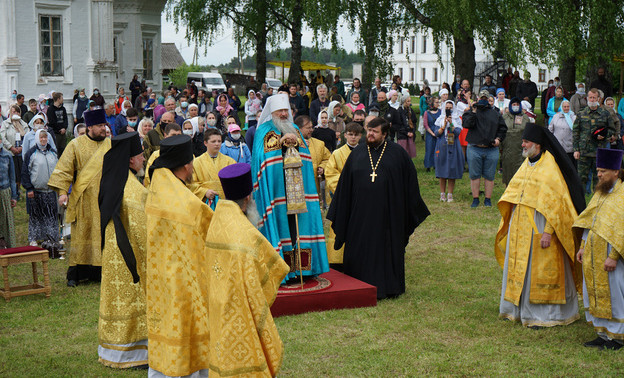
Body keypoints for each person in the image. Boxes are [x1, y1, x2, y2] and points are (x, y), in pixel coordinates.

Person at [199, 163, 289, 375]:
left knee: (222, 343)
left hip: (217, 298)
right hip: (241, 303)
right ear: (248, 199)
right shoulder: (247, 233)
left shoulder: (217, 221)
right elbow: (274, 267)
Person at [327, 117, 430, 299]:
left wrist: (405, 210)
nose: (370, 134)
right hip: (359, 215)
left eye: (375, 131)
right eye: (369, 130)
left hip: (388, 215)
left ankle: (388, 287)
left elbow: (410, 185)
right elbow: (344, 186)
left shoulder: (397, 154)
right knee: (360, 248)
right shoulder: (357, 153)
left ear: (384, 133)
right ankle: (357, 285)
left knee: (387, 249)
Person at [496, 123, 585, 328]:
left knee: (539, 271)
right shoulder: (527, 163)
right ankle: (518, 310)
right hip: (521, 228)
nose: (523, 144)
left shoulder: (550, 166)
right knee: (523, 269)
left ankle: (546, 315)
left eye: (526, 141)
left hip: (541, 228)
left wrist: (548, 232)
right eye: (523, 141)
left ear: (537, 144)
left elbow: (557, 204)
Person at [144, 135, 213, 377]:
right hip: (184, 277)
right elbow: (211, 230)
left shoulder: (158, 188)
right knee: (187, 326)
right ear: (186, 165)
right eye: (192, 162)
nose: (193, 166)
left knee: (165, 326)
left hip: (158, 276)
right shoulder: (185, 203)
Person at [252, 93, 330, 280]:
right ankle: (283, 271)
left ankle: (302, 270)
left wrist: (294, 142)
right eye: (280, 110)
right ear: (272, 111)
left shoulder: (294, 128)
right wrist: (280, 142)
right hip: (277, 192)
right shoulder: (263, 130)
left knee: (298, 230)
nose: (283, 114)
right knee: (281, 227)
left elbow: (305, 155)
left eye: (286, 110)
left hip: (296, 191)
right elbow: (264, 160)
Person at [97, 131, 148, 368]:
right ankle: (133, 355)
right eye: (140, 155)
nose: (144, 159)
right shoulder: (132, 190)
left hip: (112, 253)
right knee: (132, 301)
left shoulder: (112, 177)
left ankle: (112, 351)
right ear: (130, 159)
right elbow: (142, 229)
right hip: (129, 255)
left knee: (116, 300)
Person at [48, 108, 112, 287]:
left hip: (104, 200)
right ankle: (75, 275)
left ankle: (99, 273)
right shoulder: (75, 145)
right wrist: (62, 193)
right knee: (81, 236)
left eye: (104, 125)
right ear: (90, 127)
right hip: (82, 200)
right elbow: (63, 170)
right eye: (100, 125)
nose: (103, 129)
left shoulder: (109, 144)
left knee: (101, 236)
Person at [574, 148, 624, 350]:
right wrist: (582, 245)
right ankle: (602, 333)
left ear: (616, 172)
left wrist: (614, 256)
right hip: (592, 252)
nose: (599, 174)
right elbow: (590, 220)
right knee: (593, 290)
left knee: (614, 293)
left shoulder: (622, 196)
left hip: (611, 255)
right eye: (598, 170)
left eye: (603, 171)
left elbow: (621, 229)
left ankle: (618, 337)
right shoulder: (601, 191)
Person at [324, 122, 363, 266]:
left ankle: (358, 256)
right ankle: (337, 260)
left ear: (360, 136)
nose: (353, 137)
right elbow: (330, 174)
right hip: (342, 197)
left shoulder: (365, 152)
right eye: (350, 134)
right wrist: (345, 190)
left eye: (356, 135)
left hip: (361, 198)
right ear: (345, 135)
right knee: (339, 226)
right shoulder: (337, 153)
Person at [463, 90, 507, 207]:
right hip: (474, 148)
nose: (483, 99)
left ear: (489, 100)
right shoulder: (471, 112)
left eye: (485, 98)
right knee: (474, 175)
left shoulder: (495, 114)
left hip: (491, 149)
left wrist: (498, 139)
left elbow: (503, 129)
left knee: (489, 175)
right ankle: (475, 198)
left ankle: (487, 199)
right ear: (477, 98)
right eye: (481, 97)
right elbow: (467, 124)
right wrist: (473, 110)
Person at [573, 88, 616, 192]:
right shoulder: (581, 113)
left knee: (599, 179)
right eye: (590, 97)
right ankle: (581, 204)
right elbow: (575, 132)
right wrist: (576, 150)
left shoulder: (605, 114)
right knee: (581, 179)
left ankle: (598, 202)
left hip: (599, 151)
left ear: (599, 99)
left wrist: (605, 136)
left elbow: (612, 129)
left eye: (594, 97)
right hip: (584, 152)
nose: (592, 100)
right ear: (587, 98)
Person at [21, 129, 59, 246]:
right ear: (37, 138)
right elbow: (25, 172)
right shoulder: (31, 153)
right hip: (37, 190)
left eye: (45, 137)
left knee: (51, 215)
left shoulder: (52, 152)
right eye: (41, 138)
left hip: (51, 190)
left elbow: (58, 169)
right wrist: (29, 188)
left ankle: (51, 237)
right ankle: (34, 237)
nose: (43, 140)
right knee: (36, 215)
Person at [188, 128, 235, 203]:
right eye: (213, 141)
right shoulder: (196, 163)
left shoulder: (230, 161)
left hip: (226, 201)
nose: (217, 144)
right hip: (205, 203)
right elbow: (191, 184)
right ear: (205, 143)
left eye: (219, 141)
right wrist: (204, 192)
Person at [296, 115, 331, 207]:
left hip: (315, 188)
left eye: (312, 127)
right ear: (298, 129)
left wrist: (322, 167)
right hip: (298, 188)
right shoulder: (291, 144)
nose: (311, 130)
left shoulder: (319, 144)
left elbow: (328, 159)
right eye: (308, 128)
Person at [433, 100, 464, 202]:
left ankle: (450, 194)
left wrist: (451, 123)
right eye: (447, 108)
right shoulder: (440, 119)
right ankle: (442, 194)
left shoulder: (457, 120)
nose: (448, 109)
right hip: (442, 146)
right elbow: (436, 133)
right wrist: (444, 124)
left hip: (453, 146)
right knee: (442, 170)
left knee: (452, 170)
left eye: (450, 108)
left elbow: (457, 132)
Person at [1, 105, 30, 194]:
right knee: (13, 172)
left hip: (21, 152)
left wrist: (22, 147)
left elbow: (27, 136)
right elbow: (3, 137)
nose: (15, 114)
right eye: (14, 112)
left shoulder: (23, 124)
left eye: (17, 112)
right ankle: (13, 190)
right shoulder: (6, 123)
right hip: (10, 152)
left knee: (21, 171)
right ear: (10, 112)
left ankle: (19, 188)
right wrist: (11, 147)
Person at [143, 122, 182, 188]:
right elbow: (148, 178)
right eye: (173, 135)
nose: (176, 138)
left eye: (178, 135)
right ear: (165, 135)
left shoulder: (187, 154)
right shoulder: (156, 155)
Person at [501, 98, 530, 185]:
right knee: (508, 172)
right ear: (510, 106)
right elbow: (501, 131)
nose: (516, 106)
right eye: (514, 105)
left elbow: (528, 133)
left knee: (520, 173)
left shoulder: (525, 117)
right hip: (508, 149)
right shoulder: (505, 117)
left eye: (517, 104)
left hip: (520, 150)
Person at [0, 141, 18, 248]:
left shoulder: (7, 156)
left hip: (5, 190)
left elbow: (12, 178)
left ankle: (9, 244)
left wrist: (14, 196)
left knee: (7, 219)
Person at [549, 100, 576, 166]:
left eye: (568, 106)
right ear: (561, 107)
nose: (566, 108)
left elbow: (576, 131)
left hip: (569, 147)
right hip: (558, 146)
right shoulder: (556, 116)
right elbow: (550, 130)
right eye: (564, 107)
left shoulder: (574, 117)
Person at [46, 92, 68, 157]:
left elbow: (65, 119)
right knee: (56, 150)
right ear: (58, 99)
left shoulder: (63, 109)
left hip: (63, 133)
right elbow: (52, 121)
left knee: (63, 149)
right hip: (55, 133)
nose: (63, 99)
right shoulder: (50, 109)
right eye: (62, 98)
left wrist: (64, 128)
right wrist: (59, 129)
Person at [423, 96, 441, 171]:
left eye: (438, 102)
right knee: (429, 149)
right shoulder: (427, 113)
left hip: (438, 133)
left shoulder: (440, 112)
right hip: (430, 134)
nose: (438, 104)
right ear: (432, 103)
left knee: (437, 150)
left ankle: (436, 164)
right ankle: (428, 165)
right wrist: (432, 133)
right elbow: (425, 124)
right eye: (436, 102)